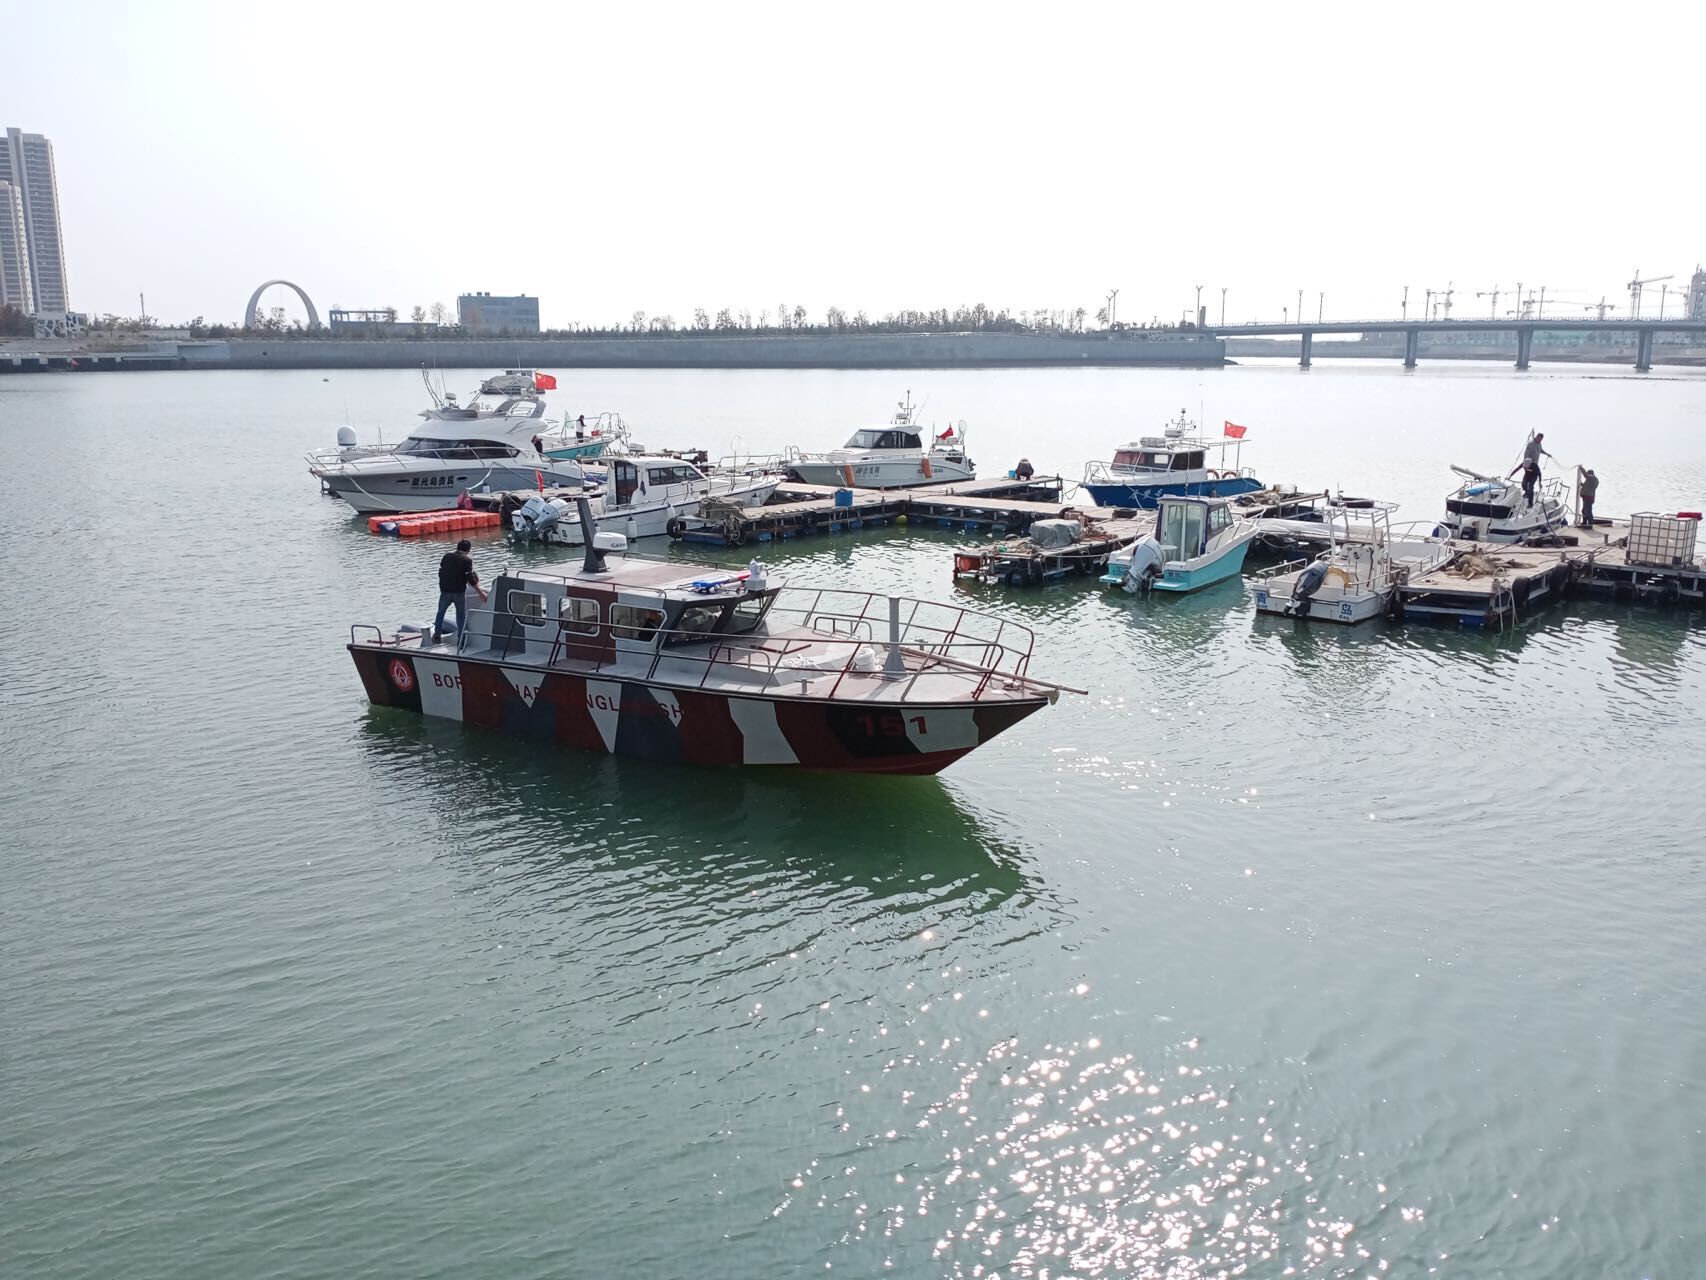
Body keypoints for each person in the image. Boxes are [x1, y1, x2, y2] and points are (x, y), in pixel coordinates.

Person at [433, 539, 487, 642]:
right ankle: (461, 639)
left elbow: (441, 572)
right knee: (460, 616)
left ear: (457, 547)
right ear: (468, 550)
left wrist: (442, 586)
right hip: (459, 592)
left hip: (445, 591)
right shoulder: (467, 561)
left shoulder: (446, 556)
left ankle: (437, 635)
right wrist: (480, 593)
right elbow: (470, 579)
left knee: (440, 613)